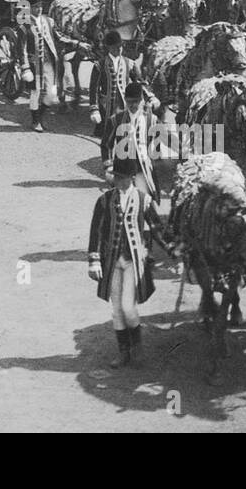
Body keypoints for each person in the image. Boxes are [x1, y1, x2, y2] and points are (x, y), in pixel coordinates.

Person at [87, 158, 160, 368]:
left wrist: (172, 244)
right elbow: (96, 232)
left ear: (132, 178)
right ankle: (123, 351)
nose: (121, 182)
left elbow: (156, 227)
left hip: (133, 262)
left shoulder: (143, 199)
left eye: (124, 178)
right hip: (112, 262)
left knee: (128, 307)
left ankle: (137, 348)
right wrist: (94, 260)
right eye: (117, 178)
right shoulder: (104, 200)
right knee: (116, 309)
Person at [106, 81, 159, 203]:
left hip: (143, 167)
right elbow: (106, 144)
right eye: (129, 102)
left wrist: (182, 148)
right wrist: (108, 166)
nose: (133, 105)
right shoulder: (115, 120)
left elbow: (165, 136)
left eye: (136, 102)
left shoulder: (151, 119)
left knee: (145, 199)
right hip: (123, 168)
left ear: (141, 101)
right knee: (121, 201)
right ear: (125, 100)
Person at [18, 0, 62, 133]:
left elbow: (59, 37)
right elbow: (21, 49)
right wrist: (25, 68)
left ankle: (41, 115)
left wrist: (77, 43)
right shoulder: (24, 26)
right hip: (34, 65)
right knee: (35, 93)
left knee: (51, 95)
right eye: (35, 7)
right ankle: (35, 121)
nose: (39, 9)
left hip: (49, 64)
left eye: (40, 6)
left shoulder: (49, 21)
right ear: (29, 8)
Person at [93, 30, 143, 149]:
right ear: (109, 48)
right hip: (107, 106)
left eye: (120, 47)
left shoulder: (129, 63)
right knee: (108, 135)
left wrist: (149, 96)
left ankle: (123, 161)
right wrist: (94, 109)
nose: (119, 49)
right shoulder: (100, 65)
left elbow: (139, 82)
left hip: (124, 105)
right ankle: (107, 160)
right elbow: (94, 89)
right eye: (115, 47)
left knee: (125, 133)